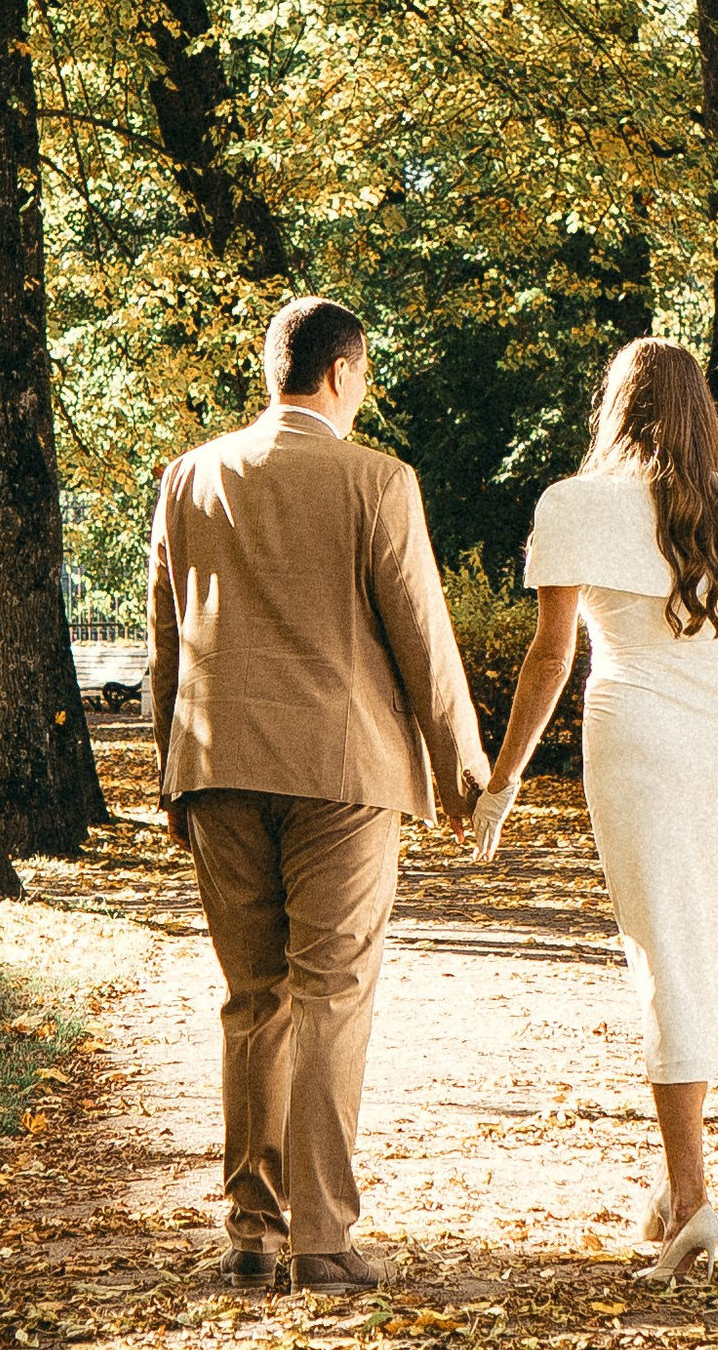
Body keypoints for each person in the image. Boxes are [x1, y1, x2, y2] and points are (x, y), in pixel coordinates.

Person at [468, 335, 718, 1279]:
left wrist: (504, 780)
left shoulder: (575, 503)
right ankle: (675, 1178)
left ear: (615, 407)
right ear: (703, 412)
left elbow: (550, 655)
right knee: (694, 949)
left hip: (637, 733)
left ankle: (693, 1196)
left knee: (665, 953)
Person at [148, 295, 488, 1295]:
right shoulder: (376, 480)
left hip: (217, 762)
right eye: (365, 375)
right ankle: (323, 1238)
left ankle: (252, 1230)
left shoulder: (189, 477)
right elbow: (421, 637)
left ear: (273, 370)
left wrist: (171, 767)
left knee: (253, 998)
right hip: (343, 772)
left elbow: (166, 630)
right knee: (331, 995)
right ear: (342, 373)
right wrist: (464, 774)